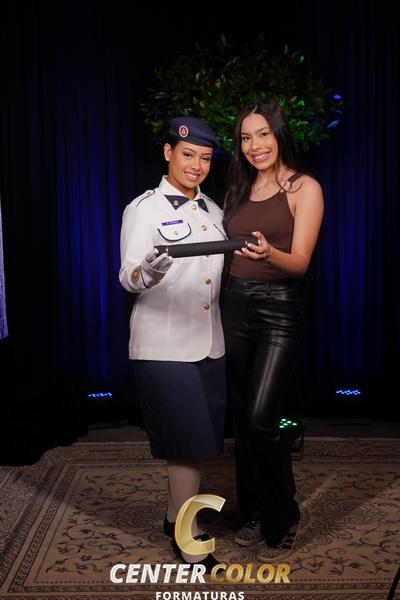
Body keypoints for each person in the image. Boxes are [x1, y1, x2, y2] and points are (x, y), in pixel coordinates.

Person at [119, 116, 226, 571]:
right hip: (163, 346)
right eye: (188, 155)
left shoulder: (213, 210)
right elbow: (129, 277)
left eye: (205, 158)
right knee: (185, 444)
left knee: (197, 441)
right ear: (168, 153)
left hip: (210, 343)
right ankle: (189, 537)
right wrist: (149, 270)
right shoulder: (143, 209)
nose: (196, 166)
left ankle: (171, 515)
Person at [222, 100, 324, 561]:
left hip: (278, 310)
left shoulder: (305, 188)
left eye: (262, 134)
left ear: (279, 134)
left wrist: (269, 255)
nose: (255, 145)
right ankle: (255, 511)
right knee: (242, 418)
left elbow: (299, 263)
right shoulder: (238, 188)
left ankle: (284, 516)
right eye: (246, 137)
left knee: (263, 417)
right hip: (234, 305)